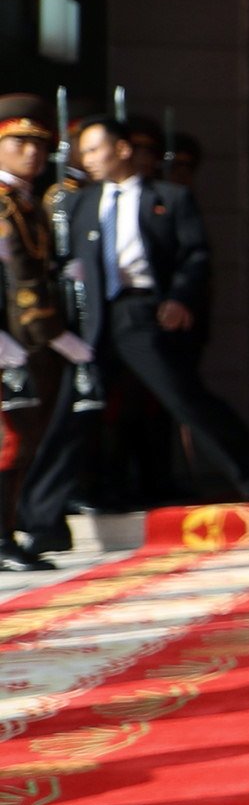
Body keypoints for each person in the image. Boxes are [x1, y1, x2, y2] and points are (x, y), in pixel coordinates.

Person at [15, 114, 249, 536]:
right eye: (84, 153)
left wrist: (179, 297)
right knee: (73, 414)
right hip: (92, 322)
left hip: (142, 313)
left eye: (97, 149)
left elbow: (196, 254)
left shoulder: (169, 197)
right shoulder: (77, 203)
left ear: (122, 150)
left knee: (187, 401)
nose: (90, 160)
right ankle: (38, 519)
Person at [0, 95, 75, 569]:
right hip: (9, 343)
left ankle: (7, 532)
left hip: (30, 345)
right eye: (19, 142)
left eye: (39, 144)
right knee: (8, 442)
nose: (33, 153)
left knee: (24, 441)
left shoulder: (28, 202)